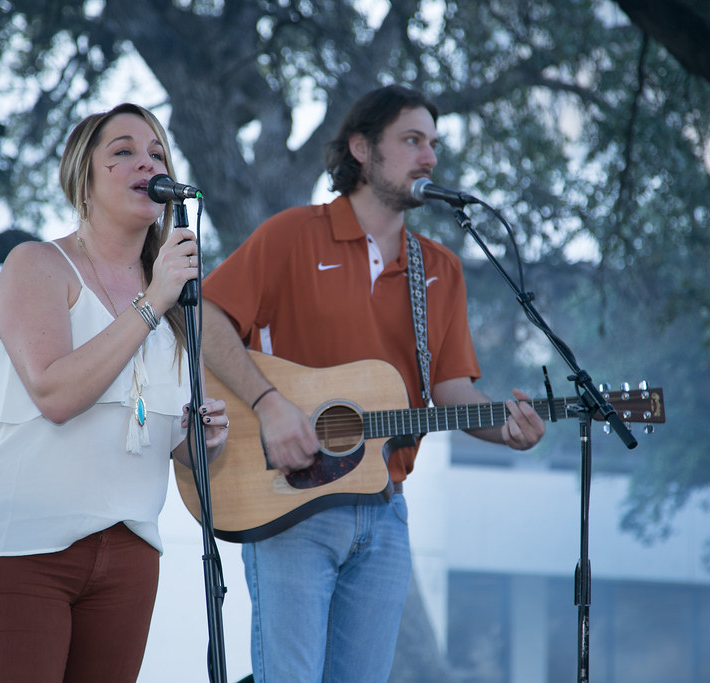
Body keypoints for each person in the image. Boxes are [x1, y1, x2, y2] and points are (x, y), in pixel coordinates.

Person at [201, 85, 546, 681]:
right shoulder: (291, 235)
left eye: (434, 144)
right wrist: (271, 406)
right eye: (412, 140)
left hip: (387, 511)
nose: (429, 157)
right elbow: (204, 316)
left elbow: (452, 391)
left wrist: (509, 428)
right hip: (291, 503)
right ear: (361, 148)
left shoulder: (439, 269)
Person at [0, 102, 229, 683]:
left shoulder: (178, 300)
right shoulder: (38, 265)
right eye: (121, 151)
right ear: (83, 178)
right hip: (21, 544)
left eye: (156, 153)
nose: (144, 163)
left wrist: (199, 437)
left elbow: (157, 430)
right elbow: (55, 394)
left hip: (128, 550)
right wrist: (152, 301)